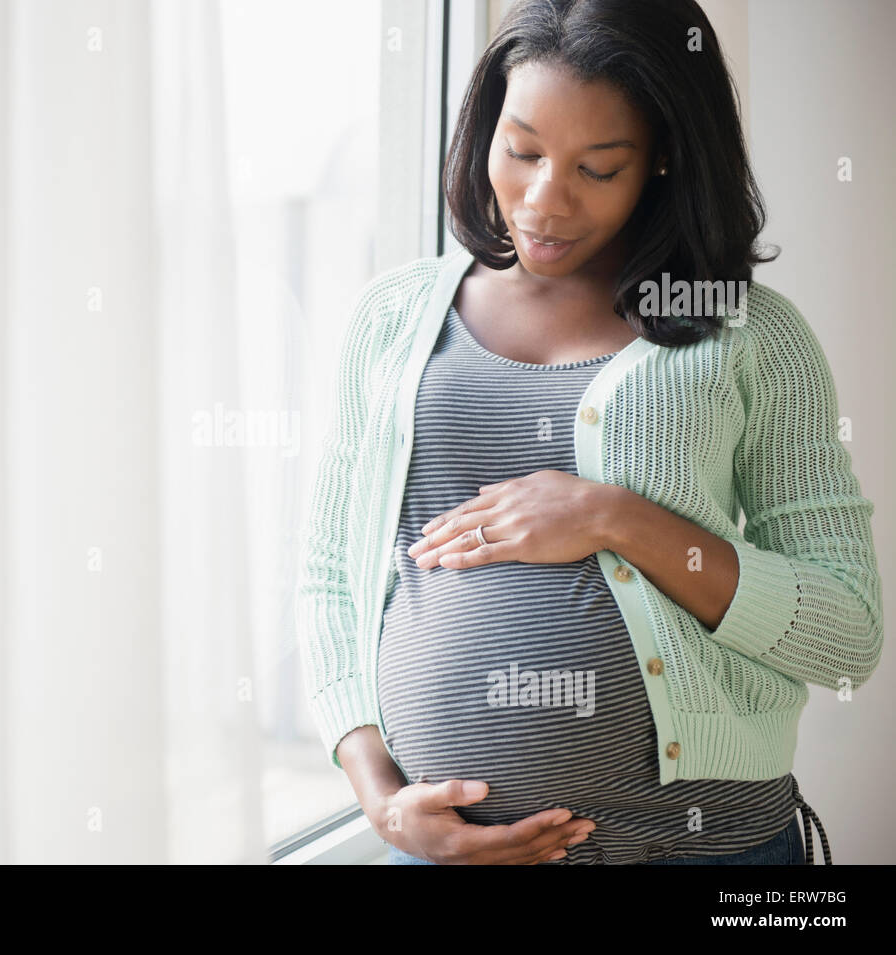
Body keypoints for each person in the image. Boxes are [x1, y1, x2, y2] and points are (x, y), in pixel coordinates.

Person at [293, 0, 881, 865]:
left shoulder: (747, 334)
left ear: (664, 162)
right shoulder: (391, 318)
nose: (542, 200)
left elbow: (847, 632)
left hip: (708, 851)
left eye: (598, 169)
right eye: (521, 150)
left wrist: (617, 517)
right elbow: (329, 585)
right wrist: (383, 804)